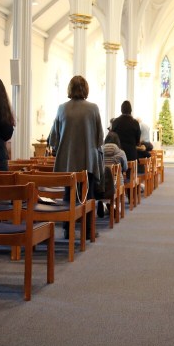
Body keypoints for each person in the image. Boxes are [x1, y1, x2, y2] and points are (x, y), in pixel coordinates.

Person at [48, 75, 104, 237]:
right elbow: (99, 137)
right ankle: (88, 231)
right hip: (88, 159)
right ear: (86, 89)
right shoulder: (93, 108)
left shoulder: (62, 108)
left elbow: (53, 138)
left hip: (68, 159)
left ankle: (68, 229)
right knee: (89, 194)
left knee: (68, 194)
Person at [111, 100, 141, 171]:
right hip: (131, 154)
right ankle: (132, 180)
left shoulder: (115, 122)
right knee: (131, 175)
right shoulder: (135, 123)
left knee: (118, 173)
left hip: (118, 154)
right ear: (130, 110)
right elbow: (138, 140)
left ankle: (118, 181)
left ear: (121, 110)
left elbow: (112, 137)